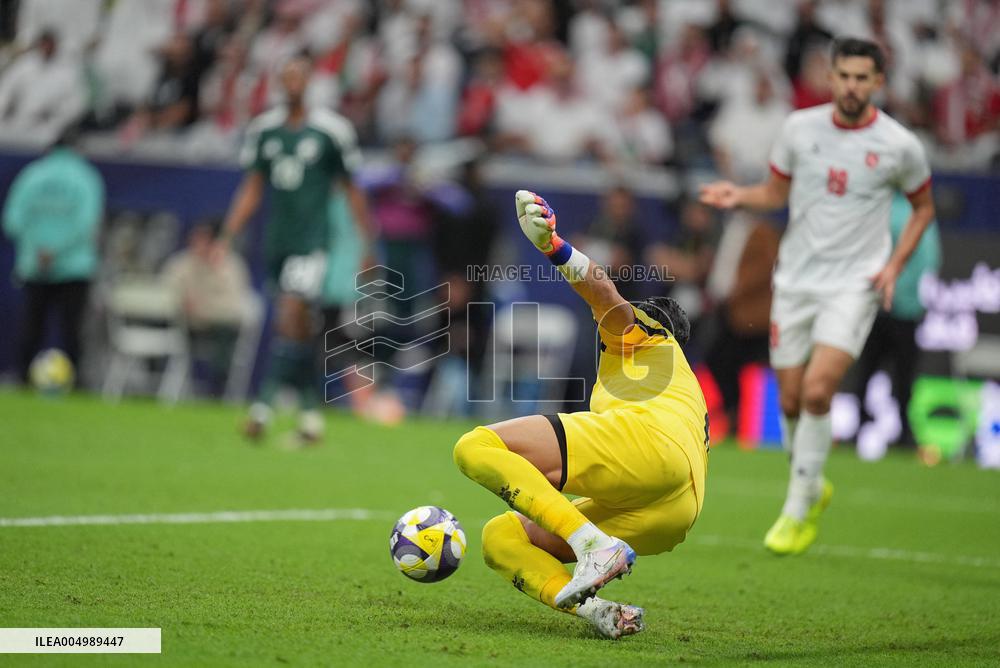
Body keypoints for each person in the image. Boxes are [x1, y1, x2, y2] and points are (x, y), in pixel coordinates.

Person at [699, 38, 935, 555]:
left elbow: (922, 208)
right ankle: (811, 480)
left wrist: (893, 265)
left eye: (862, 77)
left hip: (855, 284)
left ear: (878, 83)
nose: (852, 85)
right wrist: (739, 196)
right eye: (844, 75)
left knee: (817, 391)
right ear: (830, 78)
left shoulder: (899, 145)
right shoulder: (800, 130)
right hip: (797, 282)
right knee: (788, 398)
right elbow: (776, 194)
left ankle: (796, 507)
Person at [453, 191, 709, 639]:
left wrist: (555, 247)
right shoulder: (674, 385)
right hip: (675, 513)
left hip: (650, 448)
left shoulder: (650, 339)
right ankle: (598, 611)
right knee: (501, 538)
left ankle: (592, 544)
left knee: (475, 446)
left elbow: (603, 292)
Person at [217, 52, 371, 445]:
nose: (292, 83)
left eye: (299, 76)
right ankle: (309, 419)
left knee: (289, 319)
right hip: (277, 242)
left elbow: (352, 190)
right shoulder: (264, 131)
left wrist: (366, 243)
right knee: (298, 332)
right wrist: (228, 233)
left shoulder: (331, 132)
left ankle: (262, 409)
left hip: (311, 243)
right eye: (285, 77)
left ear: (310, 81)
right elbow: (252, 187)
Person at [3, 132, 104, 384]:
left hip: (34, 265)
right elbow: (87, 224)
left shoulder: (31, 175)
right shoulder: (85, 177)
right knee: (73, 330)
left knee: (31, 327)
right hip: (74, 267)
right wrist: (57, 249)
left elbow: (12, 220)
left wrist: (40, 248)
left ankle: (23, 378)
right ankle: (77, 383)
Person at [852, 193, 941, 448]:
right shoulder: (915, 212)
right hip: (896, 310)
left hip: (887, 309)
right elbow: (931, 260)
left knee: (873, 371)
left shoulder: (884, 209)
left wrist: (887, 292)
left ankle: (877, 428)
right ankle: (899, 431)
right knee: (895, 374)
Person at [161, 221, 252, 396]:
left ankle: (217, 392)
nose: (198, 244)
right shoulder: (181, 264)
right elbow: (166, 292)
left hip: (221, 327)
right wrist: (182, 303)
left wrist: (202, 309)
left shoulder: (231, 266)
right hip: (188, 327)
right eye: (196, 239)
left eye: (204, 240)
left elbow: (234, 307)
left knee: (225, 333)